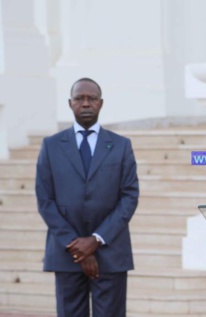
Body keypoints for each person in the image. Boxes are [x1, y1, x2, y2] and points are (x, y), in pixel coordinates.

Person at [35, 78, 139, 317]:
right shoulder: (50, 146)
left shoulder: (121, 146)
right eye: (79, 98)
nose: (85, 103)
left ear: (100, 104)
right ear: (70, 103)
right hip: (65, 254)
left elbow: (129, 196)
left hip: (111, 253)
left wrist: (96, 239)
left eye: (91, 98)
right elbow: (45, 199)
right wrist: (77, 246)